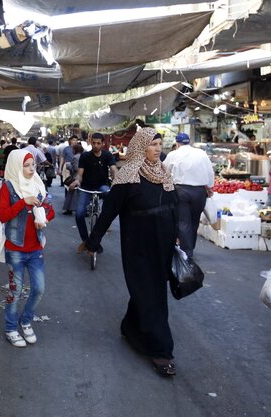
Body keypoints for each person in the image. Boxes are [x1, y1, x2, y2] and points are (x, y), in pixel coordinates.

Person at [84, 127, 179, 376]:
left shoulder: (164, 173)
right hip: (138, 245)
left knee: (151, 291)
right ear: (140, 147)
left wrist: (178, 236)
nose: (158, 149)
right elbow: (109, 212)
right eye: (153, 144)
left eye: (160, 144)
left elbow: (174, 207)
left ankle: (130, 326)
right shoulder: (127, 175)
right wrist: (94, 241)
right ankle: (161, 350)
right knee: (150, 294)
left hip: (164, 244)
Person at [0, 149, 55, 347]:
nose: (32, 169)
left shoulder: (38, 184)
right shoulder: (8, 187)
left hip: (35, 248)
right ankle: (11, 328)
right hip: (15, 249)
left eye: (33, 165)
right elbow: (3, 216)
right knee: (15, 290)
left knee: (39, 288)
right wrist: (23, 202)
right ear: (16, 166)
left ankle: (26, 320)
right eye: (27, 165)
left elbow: (50, 209)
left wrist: (44, 219)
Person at [163, 132, 215, 258]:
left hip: (181, 191)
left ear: (177, 143)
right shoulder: (201, 153)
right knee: (194, 221)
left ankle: (187, 252)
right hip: (199, 193)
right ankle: (190, 247)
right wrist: (210, 186)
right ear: (189, 141)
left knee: (183, 221)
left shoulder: (173, 154)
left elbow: (164, 170)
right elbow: (210, 172)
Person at [70, 133, 118, 246]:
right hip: (86, 188)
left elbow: (114, 170)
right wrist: (77, 181)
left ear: (103, 143)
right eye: (94, 143)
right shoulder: (85, 156)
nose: (96, 145)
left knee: (111, 198)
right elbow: (80, 174)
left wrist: (117, 180)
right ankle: (85, 241)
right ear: (90, 142)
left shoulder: (107, 155)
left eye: (98, 143)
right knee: (79, 214)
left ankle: (105, 220)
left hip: (102, 186)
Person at [62, 143, 84, 215]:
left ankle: (69, 209)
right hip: (82, 177)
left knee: (72, 194)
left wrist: (69, 166)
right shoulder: (83, 156)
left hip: (75, 177)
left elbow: (75, 168)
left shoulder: (75, 157)